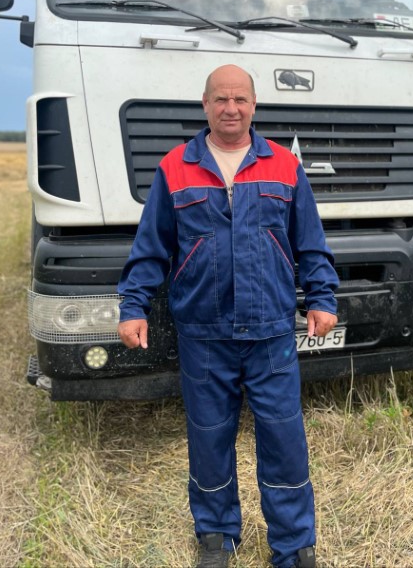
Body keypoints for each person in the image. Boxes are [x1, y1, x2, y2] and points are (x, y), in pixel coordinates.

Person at [117, 64, 338, 568]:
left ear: (254, 105)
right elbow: (151, 248)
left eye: (240, 99)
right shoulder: (175, 167)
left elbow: (310, 241)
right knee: (209, 437)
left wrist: (322, 297)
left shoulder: (284, 165)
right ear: (205, 104)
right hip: (204, 332)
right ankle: (216, 536)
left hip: (270, 332)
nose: (231, 108)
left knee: (284, 440)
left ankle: (294, 545)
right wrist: (133, 306)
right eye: (221, 99)